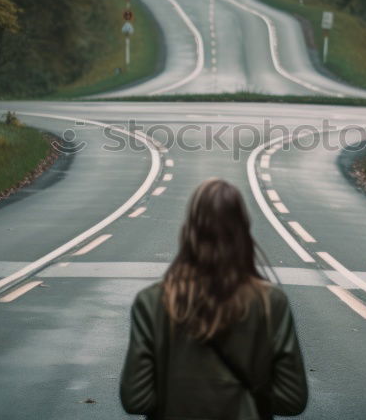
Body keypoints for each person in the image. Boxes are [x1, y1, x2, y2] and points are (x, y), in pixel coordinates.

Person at [120, 178, 308, 419]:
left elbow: (136, 399)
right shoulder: (270, 303)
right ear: (243, 231)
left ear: (189, 231)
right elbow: (292, 400)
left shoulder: (153, 301)